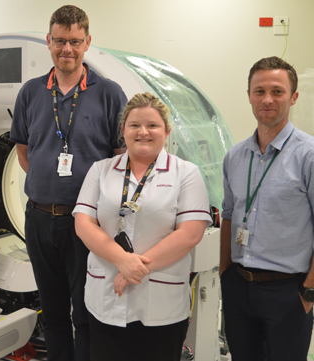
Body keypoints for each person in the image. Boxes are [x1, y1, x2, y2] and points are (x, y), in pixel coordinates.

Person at [9, 5, 127, 360]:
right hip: (40, 219)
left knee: (86, 309)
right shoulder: (30, 92)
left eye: (75, 42)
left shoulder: (108, 93)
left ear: (87, 42)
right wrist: (50, 187)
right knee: (53, 311)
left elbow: (121, 158)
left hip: (88, 221)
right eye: (60, 41)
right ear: (48, 41)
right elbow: (23, 152)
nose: (67, 49)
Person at [74, 92, 211, 360]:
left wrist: (134, 269)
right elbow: (84, 223)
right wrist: (121, 260)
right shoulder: (101, 170)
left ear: (167, 131)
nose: (143, 132)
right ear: (123, 130)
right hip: (106, 296)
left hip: (161, 302)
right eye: (134, 125)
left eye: (152, 125)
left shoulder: (186, 173)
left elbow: (190, 233)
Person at [220, 56, 314, 360]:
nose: (267, 99)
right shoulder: (235, 156)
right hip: (239, 287)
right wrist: (225, 273)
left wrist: (309, 291)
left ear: (294, 97)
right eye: (259, 91)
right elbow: (229, 215)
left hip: (288, 291)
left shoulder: (308, 155)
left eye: (277, 91)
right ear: (249, 95)